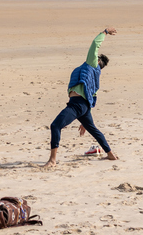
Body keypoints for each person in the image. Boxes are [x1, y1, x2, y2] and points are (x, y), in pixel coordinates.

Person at [41, 27, 120, 169]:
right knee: (94, 130)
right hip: (83, 107)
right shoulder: (95, 77)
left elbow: (95, 44)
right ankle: (110, 154)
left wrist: (105, 32)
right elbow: (92, 96)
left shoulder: (91, 64)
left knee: (55, 126)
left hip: (76, 105)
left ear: (96, 61)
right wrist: (84, 117)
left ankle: (52, 160)